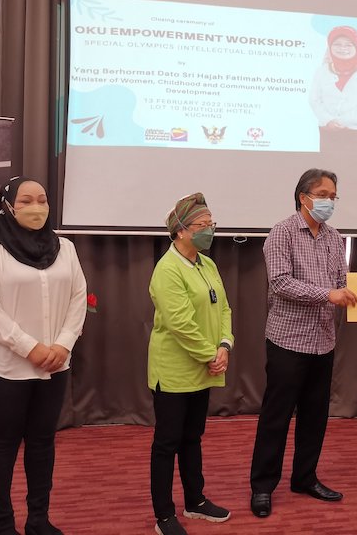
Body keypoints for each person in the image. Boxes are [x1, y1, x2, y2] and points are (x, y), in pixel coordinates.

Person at [0, 176, 86, 535]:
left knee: (42, 442)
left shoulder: (65, 248)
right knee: (4, 445)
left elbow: (78, 297)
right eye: (25, 201)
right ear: (7, 207)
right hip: (3, 367)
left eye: (42, 199)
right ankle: (2, 526)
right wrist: (29, 347)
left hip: (55, 363)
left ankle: (38, 520)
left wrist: (63, 344)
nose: (36, 207)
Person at [249, 168, 357, 519]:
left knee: (315, 416)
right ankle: (263, 486)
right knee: (276, 416)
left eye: (334, 196)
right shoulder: (281, 233)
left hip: (323, 341)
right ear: (303, 197)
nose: (330, 201)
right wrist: (328, 294)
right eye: (324, 194)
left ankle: (305, 477)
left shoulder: (334, 237)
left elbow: (343, 282)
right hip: (287, 340)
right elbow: (280, 282)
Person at [148, 193, 233, 535]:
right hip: (173, 371)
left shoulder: (207, 264)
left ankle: (195, 500)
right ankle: (164, 515)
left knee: (193, 437)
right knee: (167, 442)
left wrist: (225, 345)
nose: (209, 230)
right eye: (202, 225)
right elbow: (180, 323)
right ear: (181, 230)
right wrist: (210, 354)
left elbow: (224, 308)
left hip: (204, 367)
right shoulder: (167, 270)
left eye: (212, 224)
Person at [309, 26, 357, 155]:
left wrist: (342, 121)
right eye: (337, 44)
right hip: (328, 131)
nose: (342, 48)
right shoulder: (321, 71)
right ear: (330, 47)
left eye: (348, 45)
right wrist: (328, 120)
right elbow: (314, 99)